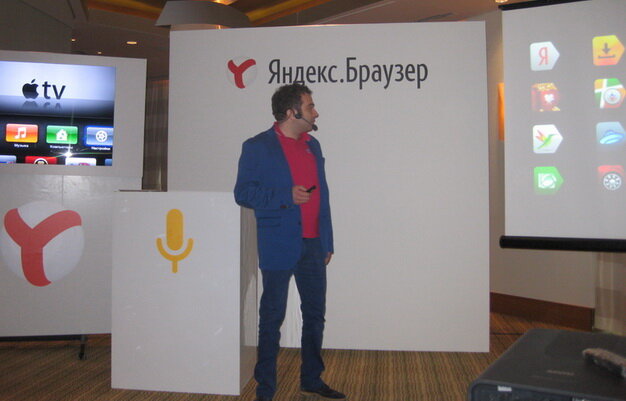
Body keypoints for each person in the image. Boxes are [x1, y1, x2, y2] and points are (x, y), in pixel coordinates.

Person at [234, 83, 345, 401]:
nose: (315, 112)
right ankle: (265, 389)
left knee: (315, 315)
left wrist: (327, 239)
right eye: (310, 107)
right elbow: (243, 192)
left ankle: (311, 379)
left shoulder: (313, 145)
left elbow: (323, 196)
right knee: (271, 318)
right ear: (291, 112)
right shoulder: (257, 146)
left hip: (313, 244)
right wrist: (285, 196)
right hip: (278, 243)